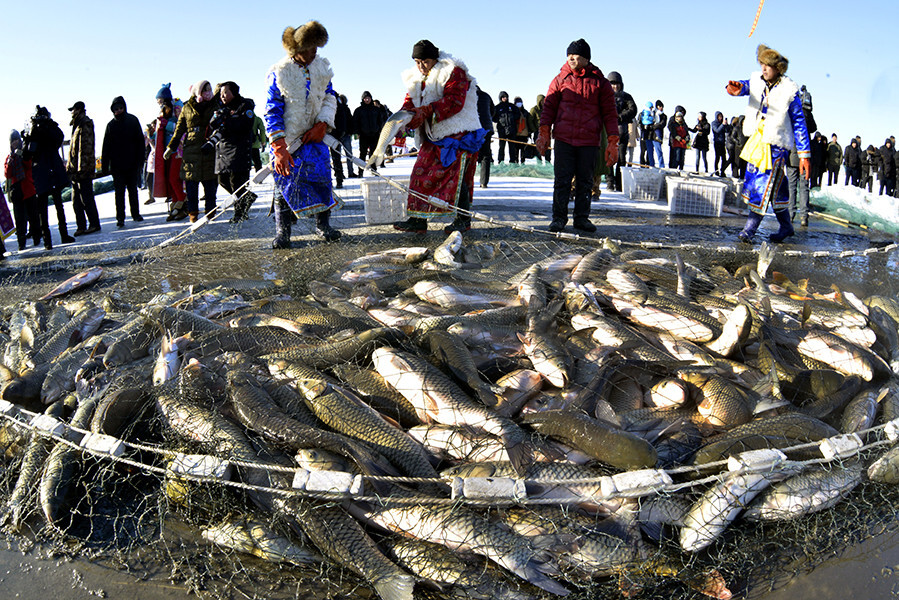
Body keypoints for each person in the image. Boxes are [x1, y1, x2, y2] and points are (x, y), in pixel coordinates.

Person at [393, 39, 486, 234]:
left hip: (458, 134)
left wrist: (426, 111)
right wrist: (403, 119)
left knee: (457, 178)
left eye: (424, 61)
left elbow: (454, 101)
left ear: (434, 59)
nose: (420, 66)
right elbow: (410, 102)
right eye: (417, 62)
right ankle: (417, 220)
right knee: (419, 173)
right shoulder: (416, 78)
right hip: (433, 135)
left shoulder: (454, 71)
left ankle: (463, 219)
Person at [264, 20, 341, 248]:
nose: (313, 53)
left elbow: (329, 97)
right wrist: (279, 147)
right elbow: (272, 109)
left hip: (315, 138)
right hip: (288, 141)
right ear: (296, 50)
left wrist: (323, 123)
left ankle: (323, 225)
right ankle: (283, 232)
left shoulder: (322, 68)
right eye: (309, 49)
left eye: (316, 48)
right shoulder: (280, 73)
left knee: (321, 180)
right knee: (285, 183)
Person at [728, 44, 810, 244]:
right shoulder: (758, 81)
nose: (763, 69)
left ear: (778, 69)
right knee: (775, 190)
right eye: (762, 64)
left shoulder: (789, 91)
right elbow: (745, 86)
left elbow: (799, 122)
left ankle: (750, 228)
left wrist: (804, 153)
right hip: (758, 142)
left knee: (762, 184)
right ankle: (786, 226)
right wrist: (736, 88)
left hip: (776, 146)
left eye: (768, 66)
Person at [536, 38, 618, 233]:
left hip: (589, 141)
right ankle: (558, 218)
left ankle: (581, 218)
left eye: (576, 55)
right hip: (564, 139)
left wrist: (613, 142)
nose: (571, 58)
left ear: (586, 58)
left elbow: (610, 114)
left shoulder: (600, 83)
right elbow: (548, 108)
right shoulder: (559, 80)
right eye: (569, 55)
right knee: (562, 180)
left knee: (585, 181)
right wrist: (544, 132)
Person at [164, 81, 219, 222]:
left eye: (210, 89)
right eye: (204, 90)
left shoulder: (215, 105)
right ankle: (193, 213)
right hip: (191, 150)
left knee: (210, 184)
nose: (208, 92)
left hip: (209, 147)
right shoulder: (187, 107)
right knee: (191, 185)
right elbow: (179, 128)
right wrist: (171, 147)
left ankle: (211, 211)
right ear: (197, 91)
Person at [26, 106, 74, 246]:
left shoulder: (50, 128)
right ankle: (49, 240)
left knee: (55, 206)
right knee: (45, 208)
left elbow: (59, 138)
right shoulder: (34, 131)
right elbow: (28, 153)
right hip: (44, 172)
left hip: (49, 171)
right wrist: (34, 130)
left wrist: (47, 126)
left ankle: (60, 236)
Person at [209, 81, 257, 222]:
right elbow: (213, 124)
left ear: (234, 93)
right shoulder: (221, 108)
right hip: (223, 150)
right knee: (223, 180)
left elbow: (245, 125)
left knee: (237, 183)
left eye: (226, 93)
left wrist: (227, 121)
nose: (223, 96)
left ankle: (239, 213)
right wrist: (220, 117)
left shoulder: (245, 106)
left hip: (239, 150)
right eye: (221, 94)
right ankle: (247, 198)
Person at [101, 97, 145, 227]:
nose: (119, 111)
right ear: (113, 111)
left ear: (124, 107)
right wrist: (105, 166)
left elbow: (140, 142)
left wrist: (140, 160)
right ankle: (120, 218)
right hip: (117, 166)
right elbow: (106, 147)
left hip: (132, 163)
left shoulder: (133, 120)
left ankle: (135, 214)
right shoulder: (111, 125)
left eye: (120, 108)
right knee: (119, 193)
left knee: (133, 190)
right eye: (116, 109)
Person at [66, 101, 101, 236]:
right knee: (76, 200)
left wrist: (82, 168)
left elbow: (85, 148)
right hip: (75, 171)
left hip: (83, 170)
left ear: (79, 110)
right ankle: (81, 226)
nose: (72, 112)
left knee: (86, 198)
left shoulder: (84, 124)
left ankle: (94, 224)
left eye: (73, 109)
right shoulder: (76, 125)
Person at [4, 130, 37, 251]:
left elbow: (29, 165)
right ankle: (21, 243)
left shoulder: (25, 152)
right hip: (17, 192)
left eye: (16, 140)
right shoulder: (9, 157)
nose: (15, 143)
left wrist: (22, 156)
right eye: (13, 141)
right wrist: (10, 163)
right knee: (20, 219)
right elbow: (7, 175)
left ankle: (37, 237)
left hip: (28, 188)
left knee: (33, 215)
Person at [606, 71, 636, 192]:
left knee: (621, 158)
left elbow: (633, 110)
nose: (615, 86)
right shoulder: (604, 96)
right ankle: (609, 182)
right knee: (608, 158)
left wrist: (620, 116)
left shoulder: (626, 96)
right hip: (608, 132)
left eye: (617, 84)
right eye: (612, 84)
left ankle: (619, 183)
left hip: (622, 132)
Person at [353, 91, 381, 171]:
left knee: (373, 153)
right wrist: (357, 132)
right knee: (363, 153)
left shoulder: (376, 110)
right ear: (363, 99)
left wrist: (379, 130)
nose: (367, 100)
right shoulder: (358, 110)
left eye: (368, 98)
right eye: (365, 98)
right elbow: (355, 122)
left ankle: (373, 169)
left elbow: (380, 121)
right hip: (363, 135)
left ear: (371, 98)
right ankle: (360, 171)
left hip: (374, 134)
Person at [333, 93, 357, 180]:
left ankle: (351, 172)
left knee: (349, 155)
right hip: (335, 135)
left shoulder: (346, 109)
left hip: (346, 135)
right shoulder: (332, 109)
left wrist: (351, 132)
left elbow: (350, 121)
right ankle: (339, 174)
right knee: (337, 156)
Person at [476, 86, 495, 187]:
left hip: (473, 128)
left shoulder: (469, 95)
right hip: (486, 128)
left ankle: (465, 182)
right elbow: (493, 111)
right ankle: (484, 182)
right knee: (485, 155)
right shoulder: (486, 96)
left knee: (470, 154)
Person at [786, 149, 810, 226]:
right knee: (804, 188)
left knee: (791, 187)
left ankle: (790, 214)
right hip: (805, 159)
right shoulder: (806, 136)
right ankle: (804, 216)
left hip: (792, 160)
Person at [492, 91, 517, 164]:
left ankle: (512, 161)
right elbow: (493, 117)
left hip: (511, 129)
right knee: (501, 146)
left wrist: (512, 119)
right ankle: (501, 161)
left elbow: (518, 114)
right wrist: (498, 119)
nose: (505, 98)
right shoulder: (497, 107)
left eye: (506, 97)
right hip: (502, 130)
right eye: (503, 97)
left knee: (512, 147)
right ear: (500, 98)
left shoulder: (512, 106)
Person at [530, 95, 549, 163]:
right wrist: (534, 129)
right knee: (538, 149)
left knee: (547, 149)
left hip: (546, 132)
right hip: (538, 132)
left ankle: (548, 163)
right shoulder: (534, 110)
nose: (543, 102)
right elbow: (530, 120)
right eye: (542, 101)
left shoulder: (547, 109)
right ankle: (539, 163)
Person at [711, 111, 730, 176]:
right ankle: (716, 170)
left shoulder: (722, 123)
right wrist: (722, 125)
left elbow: (727, 131)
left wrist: (726, 125)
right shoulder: (714, 123)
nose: (720, 118)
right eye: (719, 116)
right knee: (717, 157)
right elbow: (717, 130)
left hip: (722, 142)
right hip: (717, 142)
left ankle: (722, 171)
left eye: (721, 116)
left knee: (724, 158)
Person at [638, 101, 655, 166]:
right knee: (642, 150)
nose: (651, 109)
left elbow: (654, 123)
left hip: (650, 135)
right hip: (643, 134)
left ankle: (648, 163)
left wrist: (651, 127)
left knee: (649, 150)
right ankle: (642, 163)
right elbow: (639, 123)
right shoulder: (641, 114)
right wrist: (642, 127)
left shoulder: (652, 114)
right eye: (650, 107)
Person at [650, 100, 667, 168]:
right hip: (650, 134)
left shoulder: (664, 116)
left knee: (659, 151)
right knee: (650, 151)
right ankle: (651, 164)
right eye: (659, 106)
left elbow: (662, 124)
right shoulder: (652, 113)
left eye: (662, 106)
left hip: (658, 135)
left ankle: (661, 165)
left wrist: (654, 126)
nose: (661, 108)